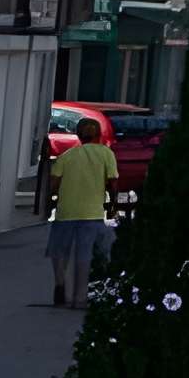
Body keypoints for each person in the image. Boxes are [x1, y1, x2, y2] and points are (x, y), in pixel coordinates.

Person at [47, 125, 119, 309]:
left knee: (60, 251)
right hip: (91, 213)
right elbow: (113, 181)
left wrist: (54, 198)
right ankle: (80, 297)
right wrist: (112, 205)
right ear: (99, 135)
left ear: (78, 135)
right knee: (84, 254)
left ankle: (60, 283)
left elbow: (53, 183)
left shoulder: (67, 156)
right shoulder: (106, 154)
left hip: (65, 212)